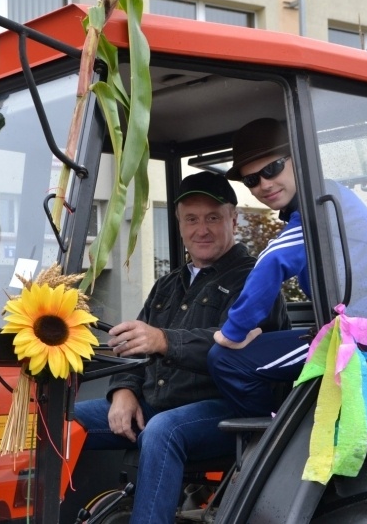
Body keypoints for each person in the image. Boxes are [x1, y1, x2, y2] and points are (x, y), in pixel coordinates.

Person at [74, 171, 290, 524]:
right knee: (60, 420)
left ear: (233, 219)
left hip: (231, 411)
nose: (201, 229)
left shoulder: (255, 279)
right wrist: (123, 392)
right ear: (179, 225)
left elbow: (237, 347)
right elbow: (135, 346)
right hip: (157, 404)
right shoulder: (168, 284)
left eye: (212, 218)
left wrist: (164, 340)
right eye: (191, 219)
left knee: (163, 430)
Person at [208, 118, 367, 418]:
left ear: (298, 159)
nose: (264, 184)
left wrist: (233, 331)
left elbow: (272, 262)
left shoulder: (320, 204)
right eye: (252, 180)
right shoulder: (322, 200)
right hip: (365, 329)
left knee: (226, 359)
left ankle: (268, 442)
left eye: (272, 169)